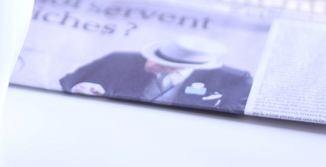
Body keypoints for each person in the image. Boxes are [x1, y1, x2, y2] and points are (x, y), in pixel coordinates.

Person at [59, 36, 253, 113]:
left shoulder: (235, 79)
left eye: (166, 64)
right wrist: (81, 87)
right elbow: (70, 81)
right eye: (153, 57)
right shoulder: (118, 60)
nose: (151, 63)